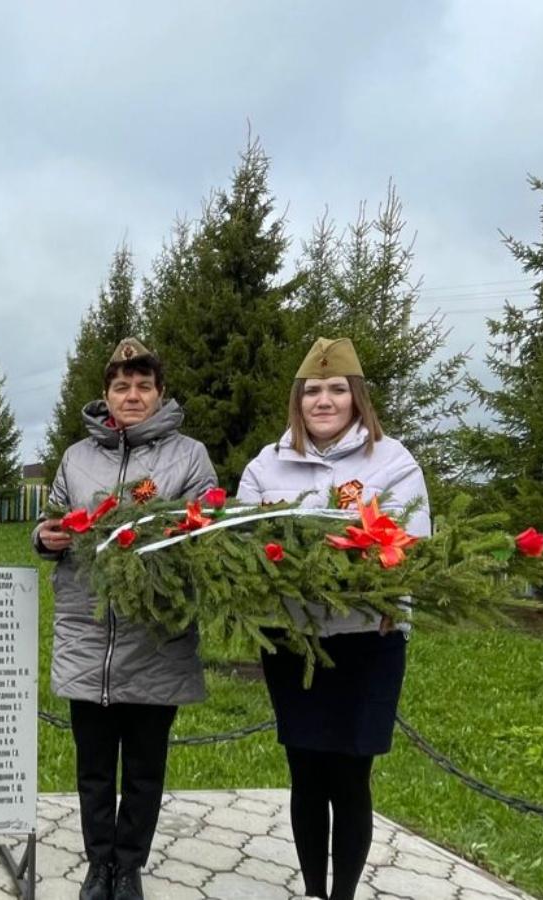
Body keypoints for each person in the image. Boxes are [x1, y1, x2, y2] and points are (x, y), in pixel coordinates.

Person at [235, 337, 431, 900]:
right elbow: (245, 544)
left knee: (350, 776)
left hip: (368, 639)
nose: (324, 400)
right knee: (306, 771)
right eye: (313, 390)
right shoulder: (266, 466)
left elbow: (408, 540)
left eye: (336, 389)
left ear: (356, 397)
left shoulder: (392, 461)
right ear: (297, 400)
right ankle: (314, 892)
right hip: (292, 639)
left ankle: (342, 894)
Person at [33, 338, 217, 900]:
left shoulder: (189, 456)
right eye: (121, 386)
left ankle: (129, 864)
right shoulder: (76, 458)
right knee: (92, 764)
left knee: (143, 767)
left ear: (159, 393)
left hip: (154, 634)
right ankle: (98, 863)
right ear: (106, 394)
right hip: (88, 628)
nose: (132, 396)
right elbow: (52, 520)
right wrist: (45, 536)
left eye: (143, 386)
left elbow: (208, 529)